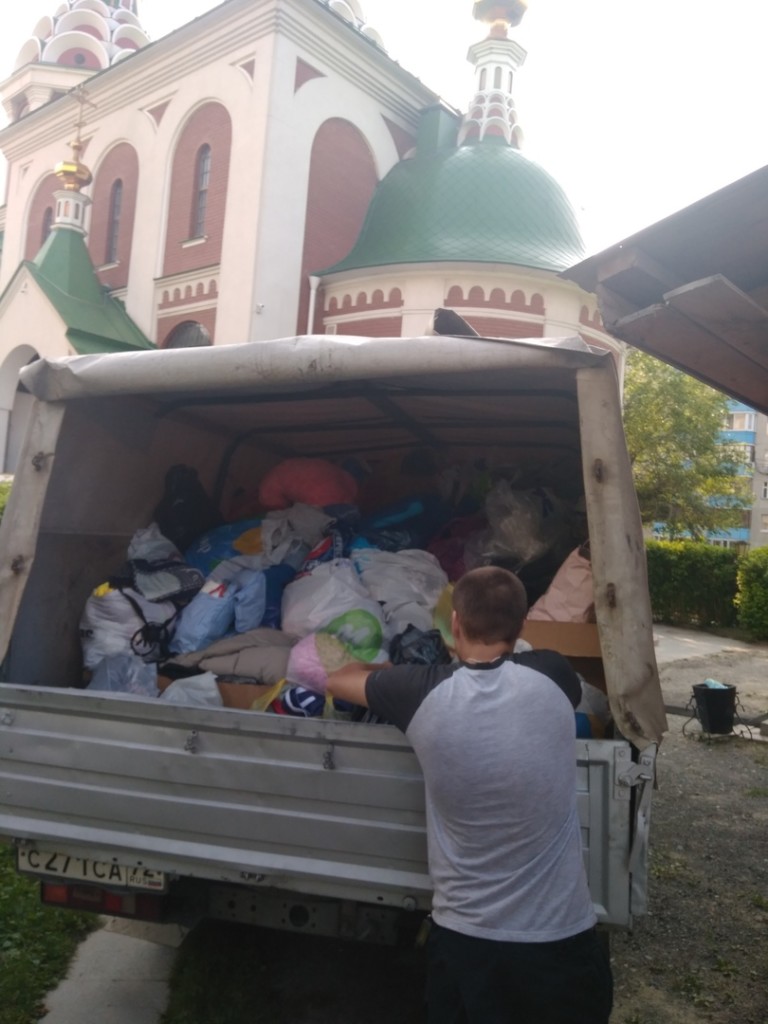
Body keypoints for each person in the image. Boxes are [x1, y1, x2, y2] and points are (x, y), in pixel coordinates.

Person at [327, 565, 613, 1024]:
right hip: (560, 940)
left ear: (455, 623)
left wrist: (390, 672)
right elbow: (536, 669)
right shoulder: (554, 673)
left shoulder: (417, 691)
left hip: (466, 944)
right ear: (521, 625)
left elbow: (338, 679)